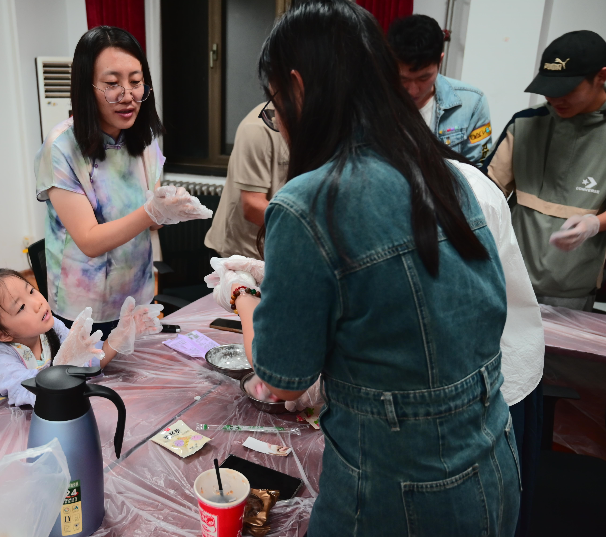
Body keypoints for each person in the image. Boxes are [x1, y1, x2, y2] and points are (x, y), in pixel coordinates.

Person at [206, 2, 521, 535]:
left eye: (274, 105)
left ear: (298, 87)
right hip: (493, 463)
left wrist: (242, 295)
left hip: (398, 493)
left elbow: (282, 379)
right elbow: (403, 309)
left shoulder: (309, 203)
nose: (279, 123)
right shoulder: (444, 173)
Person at [35, 26, 211, 338]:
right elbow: (89, 241)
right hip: (84, 307)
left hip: (138, 296)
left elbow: (151, 223)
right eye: (112, 84)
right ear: (87, 87)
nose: (127, 95)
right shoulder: (62, 147)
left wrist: (170, 207)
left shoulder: (144, 140)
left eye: (135, 81)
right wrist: (152, 212)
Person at [483, 30, 606, 312]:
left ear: (601, 76)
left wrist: (594, 224)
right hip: (509, 279)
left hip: (573, 289)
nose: (556, 99)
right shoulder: (526, 123)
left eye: (567, 90)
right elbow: (486, 189)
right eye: (549, 89)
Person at [0, 269, 162, 416]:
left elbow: (88, 362)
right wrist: (66, 364)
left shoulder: (51, 327)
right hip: (0, 426)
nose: (37, 303)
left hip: (44, 415)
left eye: (31, 291)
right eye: (21, 307)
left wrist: (120, 336)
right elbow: (32, 393)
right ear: (3, 335)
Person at [388, 14, 493, 166]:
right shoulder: (374, 100)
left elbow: (478, 168)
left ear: (440, 60)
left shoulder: (471, 104)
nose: (413, 90)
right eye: (403, 79)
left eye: (423, 78)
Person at [204, 103, 289, 258]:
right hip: (243, 252)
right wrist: (306, 231)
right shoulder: (257, 128)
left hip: (280, 247)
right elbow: (252, 206)